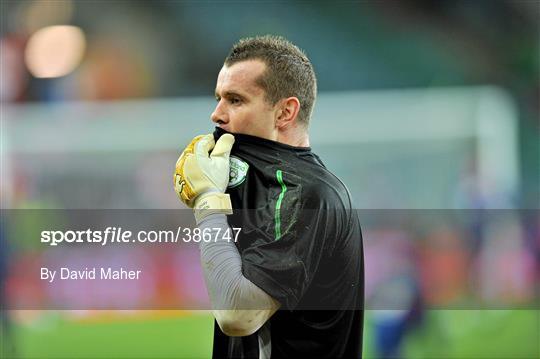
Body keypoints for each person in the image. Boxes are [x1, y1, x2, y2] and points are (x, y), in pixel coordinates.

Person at [174, 35, 364, 358]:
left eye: (235, 100)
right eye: (218, 98)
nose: (216, 115)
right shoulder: (265, 183)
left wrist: (208, 200)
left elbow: (238, 315)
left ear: (285, 113)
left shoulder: (302, 194)